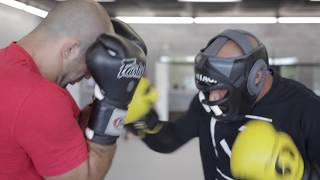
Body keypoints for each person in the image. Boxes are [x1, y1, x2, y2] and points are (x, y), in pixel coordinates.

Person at [126, 29, 320, 179]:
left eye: (221, 89)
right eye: (208, 90)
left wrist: (301, 176)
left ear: (256, 77)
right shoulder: (207, 102)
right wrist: (141, 119)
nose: (212, 99)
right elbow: (169, 140)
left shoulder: (306, 109)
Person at [0, 0, 146, 179]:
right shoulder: (40, 98)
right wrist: (115, 105)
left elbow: (67, 134)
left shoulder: (11, 68)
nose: (89, 75)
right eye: (89, 62)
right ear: (70, 49)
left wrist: (103, 100)